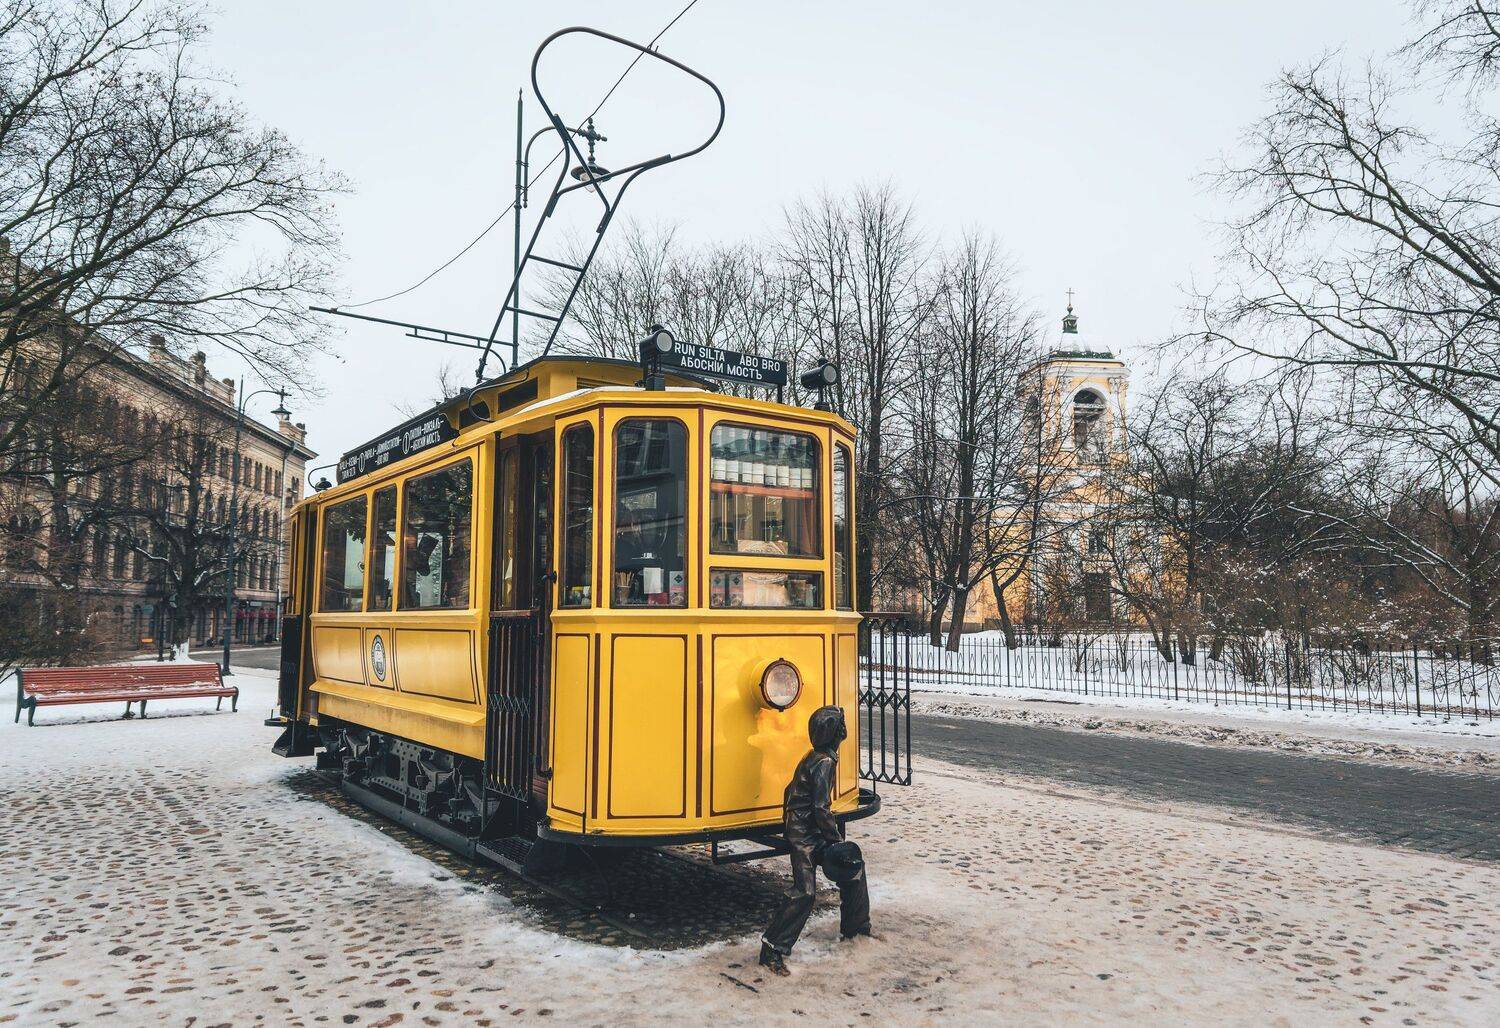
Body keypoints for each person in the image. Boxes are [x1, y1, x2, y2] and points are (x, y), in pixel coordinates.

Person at [759, 705, 871, 975]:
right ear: (832, 732)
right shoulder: (823, 762)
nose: (845, 729)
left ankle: (856, 930)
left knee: (853, 868)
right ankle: (772, 949)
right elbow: (820, 807)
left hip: (811, 828)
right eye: (840, 725)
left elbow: (792, 791)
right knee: (805, 892)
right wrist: (834, 841)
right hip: (804, 833)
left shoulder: (819, 756)